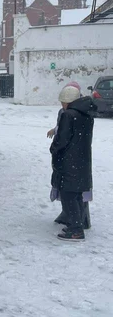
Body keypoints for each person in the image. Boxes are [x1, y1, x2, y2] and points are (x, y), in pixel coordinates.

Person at [50, 84, 96, 241]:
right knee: (76, 195)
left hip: (69, 161)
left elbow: (62, 139)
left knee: (68, 195)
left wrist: (53, 148)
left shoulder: (68, 115)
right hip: (81, 161)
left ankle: (76, 230)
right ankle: (78, 224)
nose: (62, 105)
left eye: (63, 101)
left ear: (68, 101)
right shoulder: (86, 114)